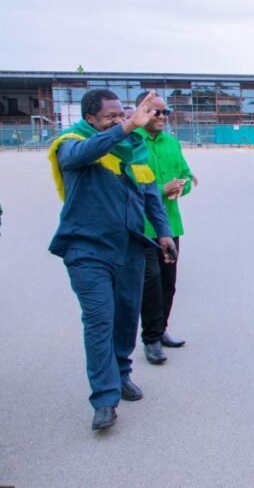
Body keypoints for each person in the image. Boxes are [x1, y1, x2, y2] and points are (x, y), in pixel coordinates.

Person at [47, 90, 177, 431]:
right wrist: (128, 126)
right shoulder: (71, 142)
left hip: (130, 247)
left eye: (123, 114)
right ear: (91, 118)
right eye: (111, 117)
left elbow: (151, 196)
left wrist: (163, 233)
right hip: (87, 250)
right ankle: (104, 399)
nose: (120, 121)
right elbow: (85, 153)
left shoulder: (134, 149)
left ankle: (121, 373)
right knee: (100, 319)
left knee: (123, 318)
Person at [135, 93, 194, 365]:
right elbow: (128, 188)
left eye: (165, 112)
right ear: (142, 112)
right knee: (151, 285)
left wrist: (182, 185)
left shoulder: (171, 142)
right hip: (142, 229)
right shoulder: (132, 143)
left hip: (171, 225)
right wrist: (161, 189)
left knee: (168, 283)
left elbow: (187, 175)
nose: (161, 117)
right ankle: (151, 340)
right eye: (155, 112)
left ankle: (161, 329)